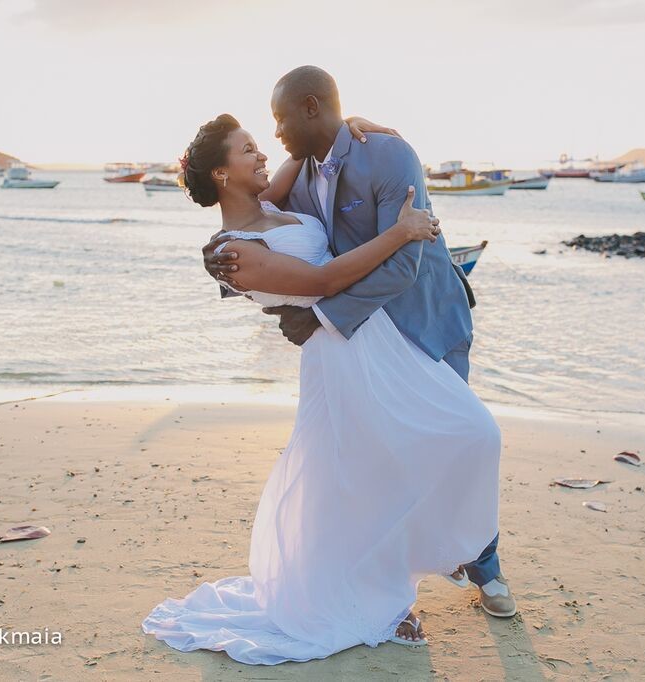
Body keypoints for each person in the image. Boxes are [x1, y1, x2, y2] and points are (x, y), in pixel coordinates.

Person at [141, 110, 501, 665]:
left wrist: (348, 121)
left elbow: (308, 145)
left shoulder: (266, 202)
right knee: (363, 478)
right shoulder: (234, 252)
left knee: (468, 435)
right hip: (339, 355)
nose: (262, 155)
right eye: (247, 150)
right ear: (219, 175)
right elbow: (324, 281)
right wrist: (401, 232)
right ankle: (387, 594)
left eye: (260, 145)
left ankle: (436, 557)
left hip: (377, 338)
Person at [206, 65, 516, 617]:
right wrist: (218, 263)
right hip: (362, 339)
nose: (273, 135)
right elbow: (267, 246)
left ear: (307, 107)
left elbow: (405, 264)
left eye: (279, 119)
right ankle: (393, 571)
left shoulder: (391, 157)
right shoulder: (296, 177)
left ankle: (483, 565)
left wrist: (324, 316)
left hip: (425, 319)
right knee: (378, 461)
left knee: (455, 438)